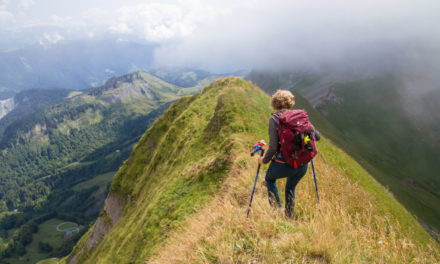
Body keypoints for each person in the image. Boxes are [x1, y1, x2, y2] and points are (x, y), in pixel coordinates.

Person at [258, 90, 320, 219]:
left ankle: (277, 212)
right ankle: (289, 216)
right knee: (290, 188)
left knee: (269, 179)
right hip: (302, 165)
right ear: (291, 102)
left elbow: (274, 146)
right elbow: (317, 136)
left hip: (284, 164)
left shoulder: (274, 119)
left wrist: (264, 160)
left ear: (274, 103)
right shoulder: (300, 116)